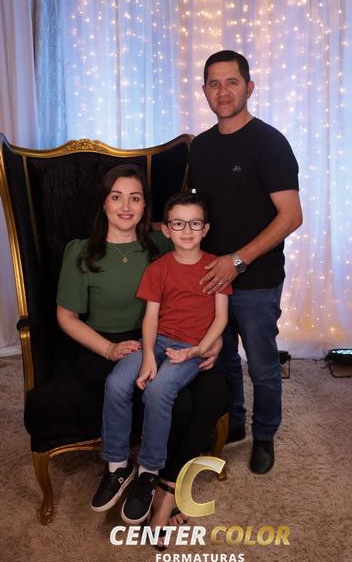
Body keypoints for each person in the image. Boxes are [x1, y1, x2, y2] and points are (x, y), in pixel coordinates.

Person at [56, 164, 228, 528]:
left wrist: (213, 342)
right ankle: (119, 469)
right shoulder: (81, 251)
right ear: (103, 203)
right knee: (143, 390)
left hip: (166, 339)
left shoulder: (161, 243)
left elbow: (195, 268)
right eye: (116, 197)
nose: (125, 206)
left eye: (135, 198)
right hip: (103, 345)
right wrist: (109, 349)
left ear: (145, 207)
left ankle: (162, 483)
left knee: (208, 392)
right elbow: (66, 318)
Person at [188, 50, 303, 475]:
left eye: (232, 82)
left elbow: (291, 216)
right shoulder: (200, 147)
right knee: (221, 360)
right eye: (214, 84)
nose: (223, 92)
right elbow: (198, 210)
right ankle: (233, 422)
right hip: (212, 278)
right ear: (204, 91)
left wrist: (237, 261)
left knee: (262, 364)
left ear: (249, 87)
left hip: (256, 279)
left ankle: (265, 434)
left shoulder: (269, 143)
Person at [103, 191, 231, 526]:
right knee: (117, 381)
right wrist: (148, 356)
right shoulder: (158, 268)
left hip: (190, 347)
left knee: (159, 390)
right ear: (166, 229)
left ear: (205, 229)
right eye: (178, 223)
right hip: (158, 340)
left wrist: (199, 350)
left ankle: (149, 471)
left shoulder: (216, 267)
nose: (187, 230)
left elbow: (221, 318)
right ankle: (117, 466)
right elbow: (150, 317)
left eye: (195, 223)